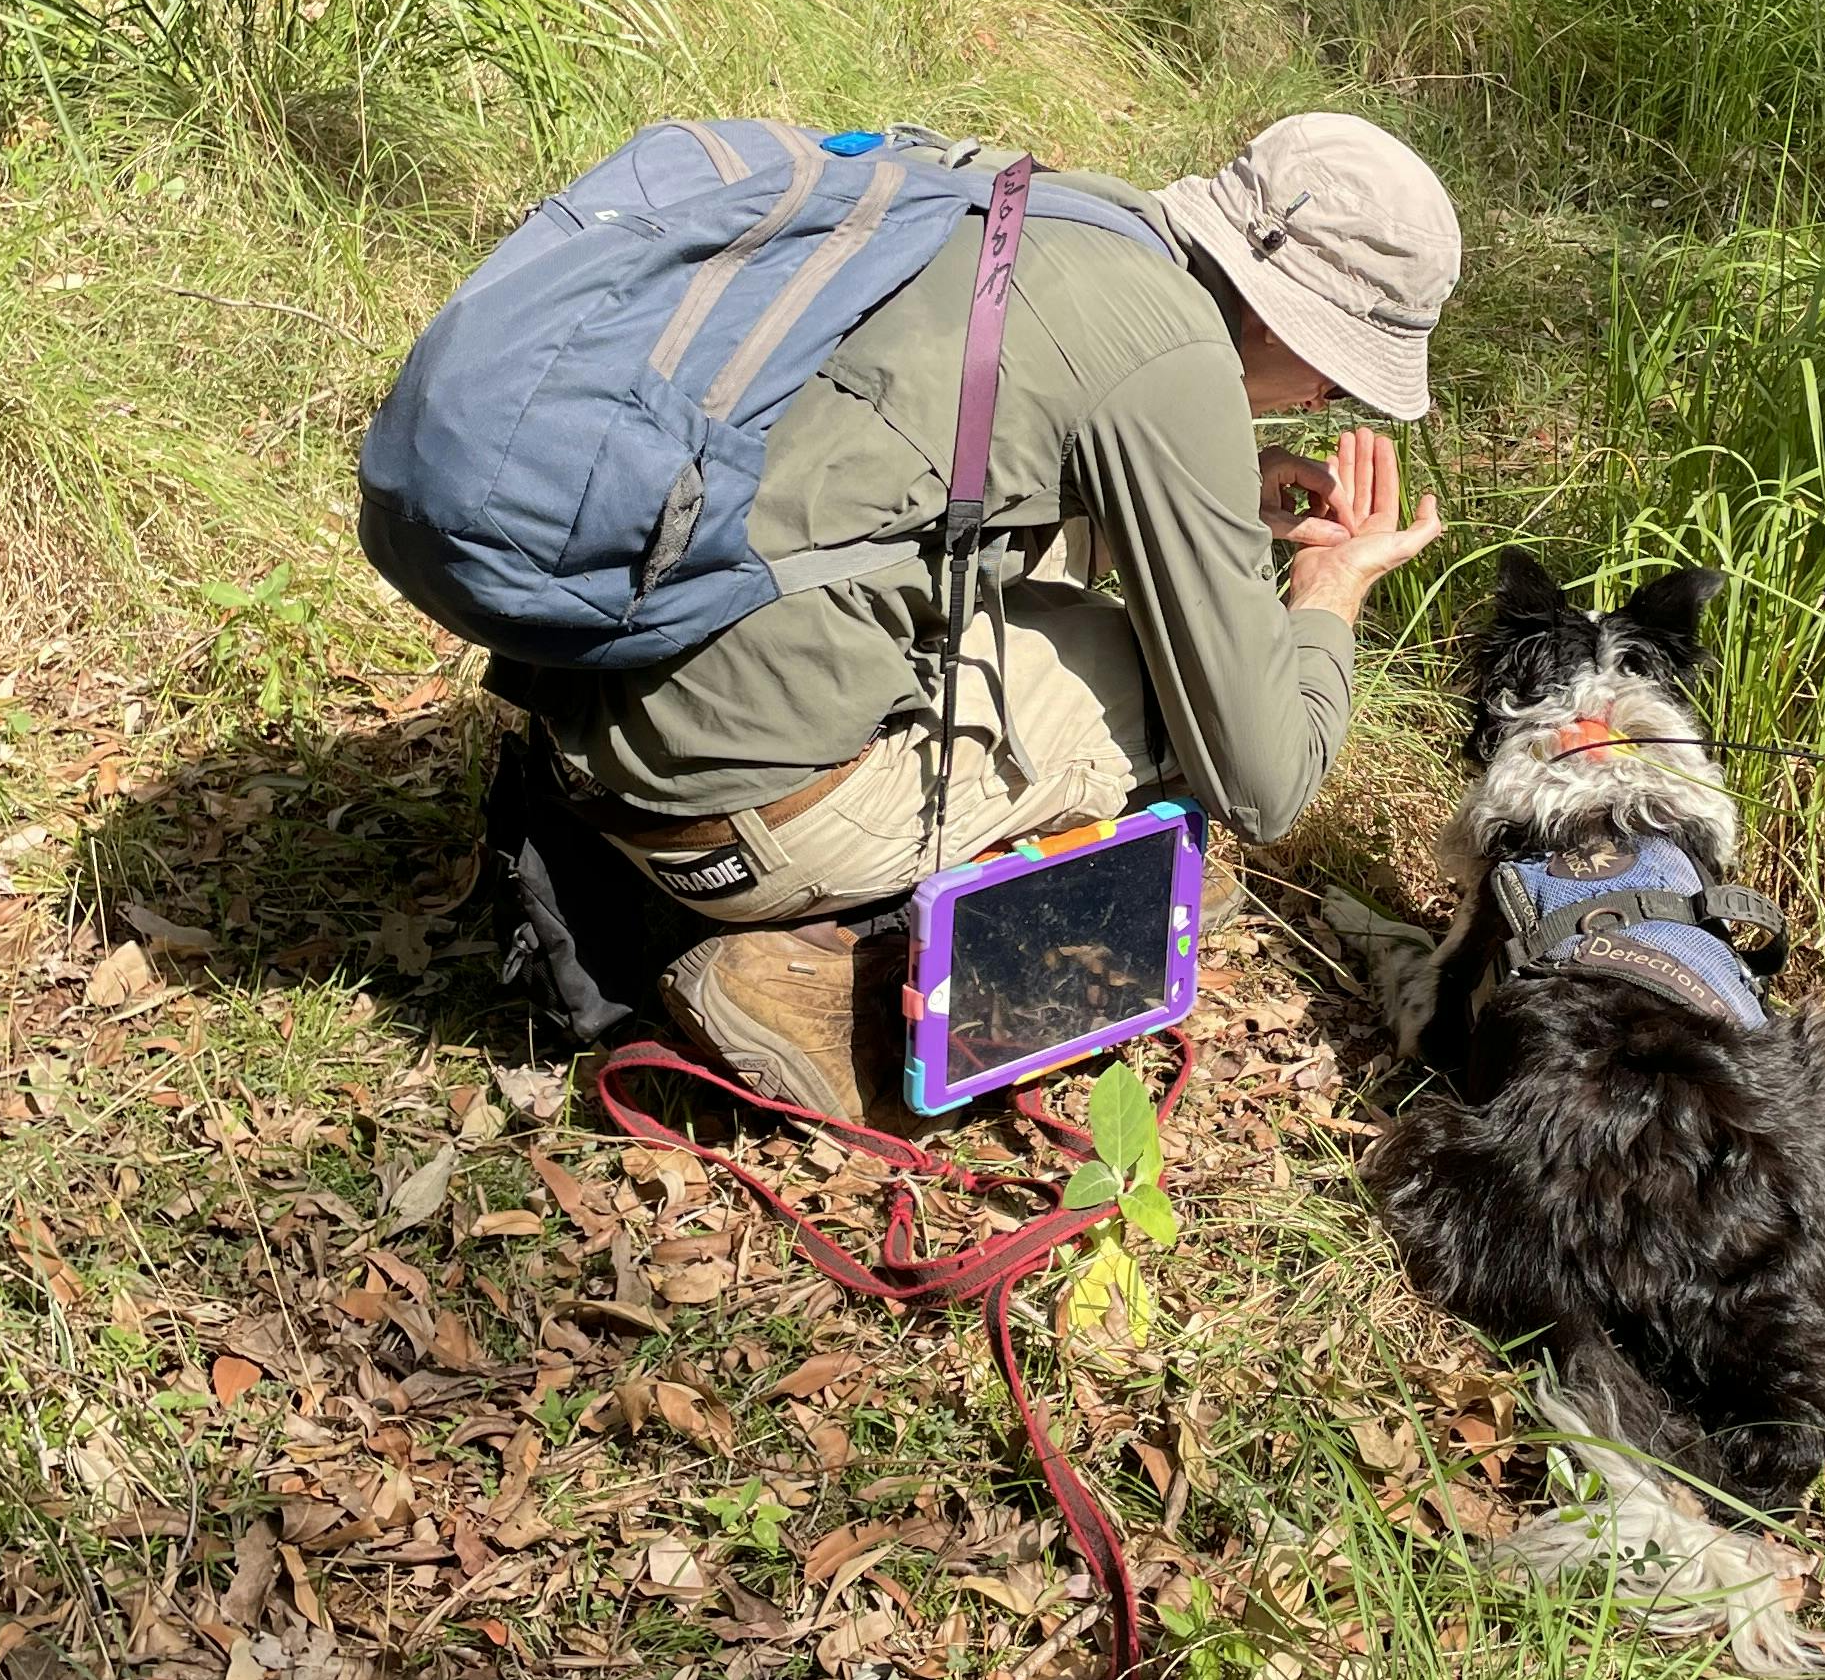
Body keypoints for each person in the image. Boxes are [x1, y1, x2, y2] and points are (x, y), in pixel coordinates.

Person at [495, 110, 1460, 1111]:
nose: (1322, 402)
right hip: (722, 814)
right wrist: (1327, 595)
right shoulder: (1181, 358)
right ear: (1278, 319)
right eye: (1337, 372)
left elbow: (933, 500)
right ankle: (842, 980)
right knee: (1177, 706)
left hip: (596, 695)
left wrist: (1214, 503)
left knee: (1103, 619)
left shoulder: (1039, 212)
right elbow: (1268, 785)